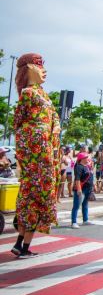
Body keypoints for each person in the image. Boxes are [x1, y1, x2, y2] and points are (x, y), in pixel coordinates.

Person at [10, 53, 61, 258]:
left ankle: (22, 244)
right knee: (32, 197)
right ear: (29, 67)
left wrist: (55, 126)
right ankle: (21, 244)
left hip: (45, 153)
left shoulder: (43, 94)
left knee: (37, 197)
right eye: (40, 66)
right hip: (34, 155)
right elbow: (18, 124)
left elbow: (55, 117)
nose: (44, 70)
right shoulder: (29, 94)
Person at [71, 152, 94, 228]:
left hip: (88, 188)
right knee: (76, 206)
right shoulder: (79, 167)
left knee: (85, 204)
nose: (88, 159)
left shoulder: (87, 166)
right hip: (81, 189)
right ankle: (74, 222)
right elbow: (77, 179)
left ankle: (85, 220)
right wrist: (79, 189)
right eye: (86, 157)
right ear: (82, 159)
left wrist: (94, 185)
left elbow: (90, 176)